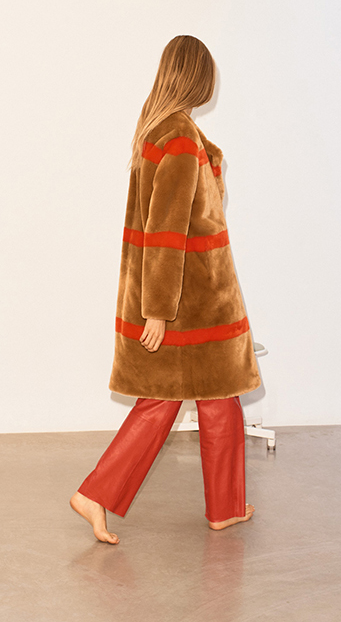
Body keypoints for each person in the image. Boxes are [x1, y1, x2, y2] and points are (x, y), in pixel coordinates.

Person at [70, 35, 262, 544]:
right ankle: (101, 494)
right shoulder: (177, 137)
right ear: (198, 78)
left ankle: (220, 507)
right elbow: (166, 229)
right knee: (199, 397)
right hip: (194, 301)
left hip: (189, 298)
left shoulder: (164, 130)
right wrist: (156, 309)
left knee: (194, 400)